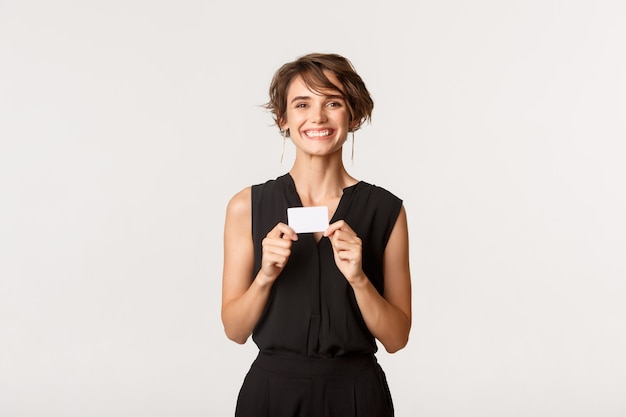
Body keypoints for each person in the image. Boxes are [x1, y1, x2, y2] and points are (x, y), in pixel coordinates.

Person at [221, 52, 412, 417]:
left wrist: (359, 279)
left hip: (357, 396)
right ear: (283, 119)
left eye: (333, 102)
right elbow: (235, 330)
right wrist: (265, 276)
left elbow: (396, 338)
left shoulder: (387, 210)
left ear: (353, 115)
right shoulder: (245, 206)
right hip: (271, 395)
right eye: (302, 104)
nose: (317, 117)